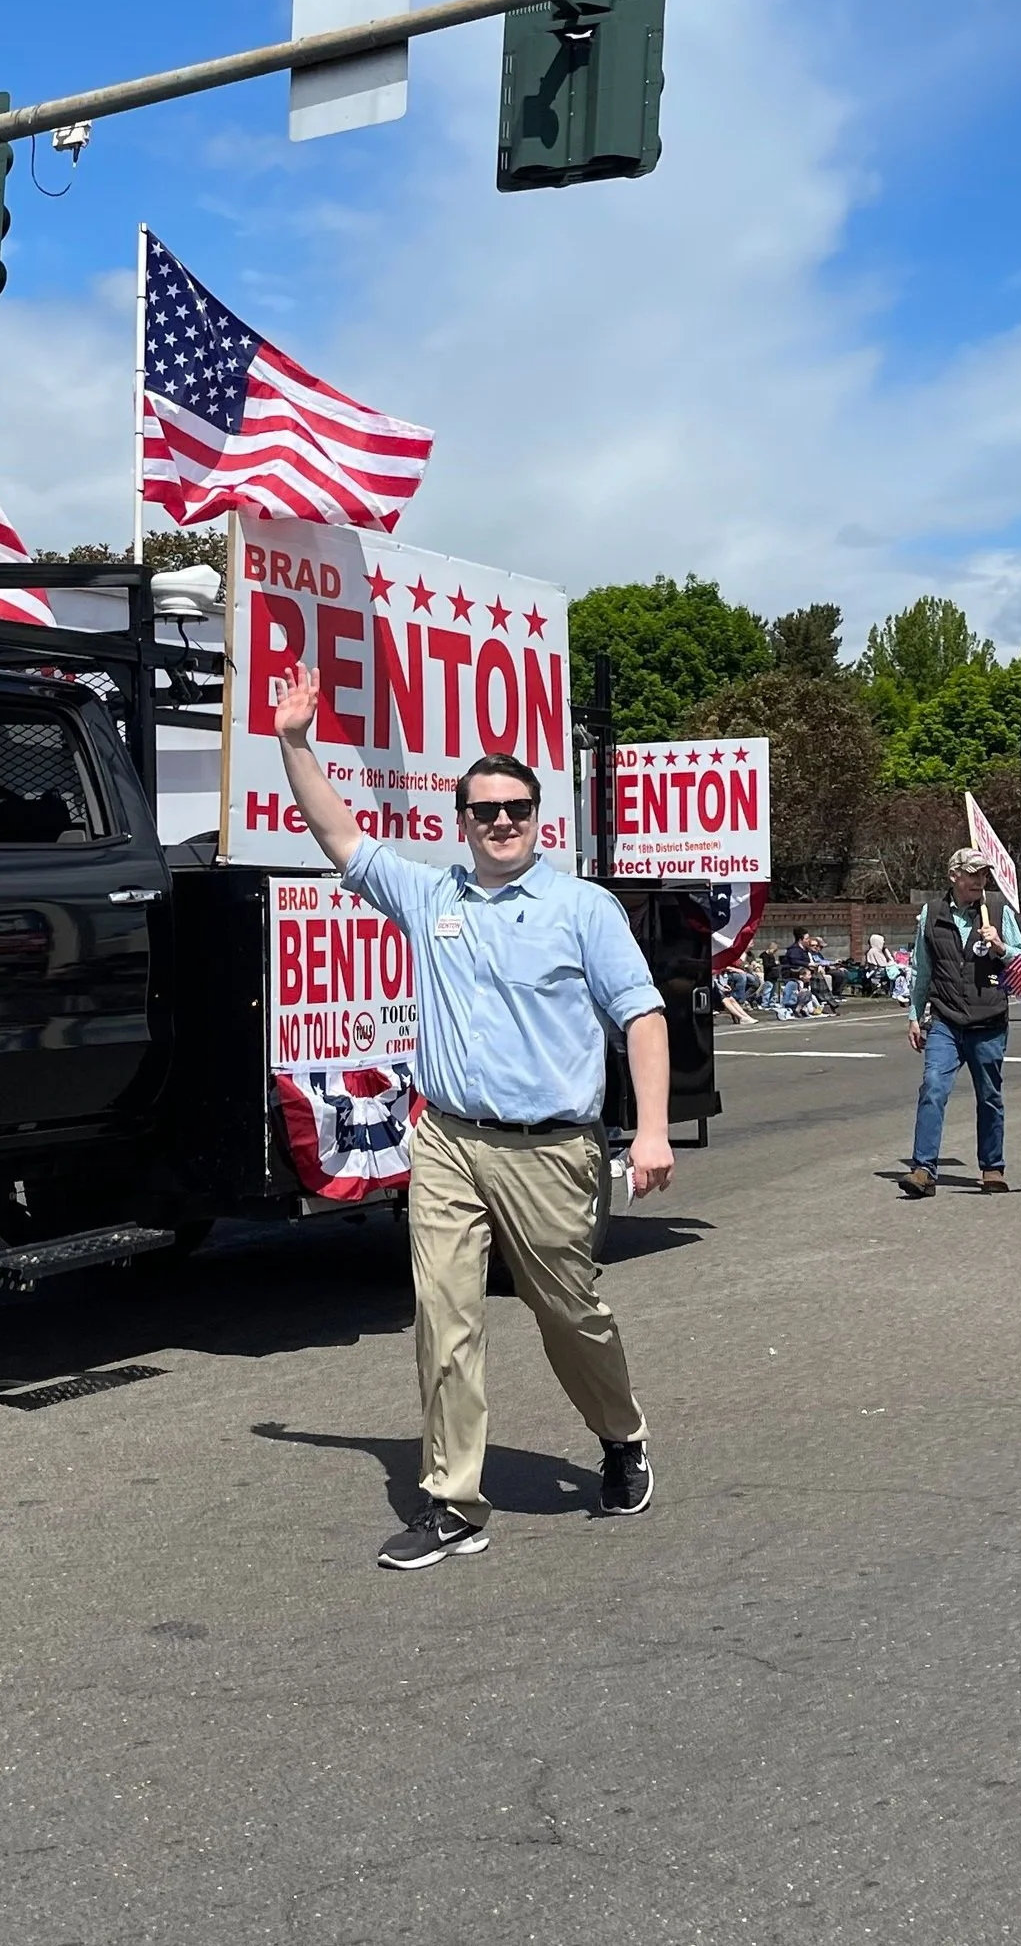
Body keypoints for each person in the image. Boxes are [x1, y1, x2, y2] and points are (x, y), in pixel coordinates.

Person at [272, 664, 674, 1571]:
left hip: (551, 1151)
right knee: (442, 1315)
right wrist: (295, 743)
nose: (500, 822)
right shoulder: (431, 896)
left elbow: (642, 1016)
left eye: (516, 810)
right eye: (484, 810)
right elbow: (339, 836)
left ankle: (620, 1436)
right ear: (460, 822)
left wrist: (648, 1130)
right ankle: (452, 1502)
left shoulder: (582, 908)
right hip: (449, 1139)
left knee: (570, 1314)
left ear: (539, 820)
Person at [901, 848, 1021, 1197]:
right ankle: (923, 1169)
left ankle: (992, 1167)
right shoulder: (931, 914)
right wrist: (915, 1015)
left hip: (988, 1020)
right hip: (945, 1019)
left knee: (989, 1096)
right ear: (953, 875)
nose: (978, 880)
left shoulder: (998, 912)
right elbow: (923, 970)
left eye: (983, 874)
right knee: (932, 1087)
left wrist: (1000, 946)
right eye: (972, 873)